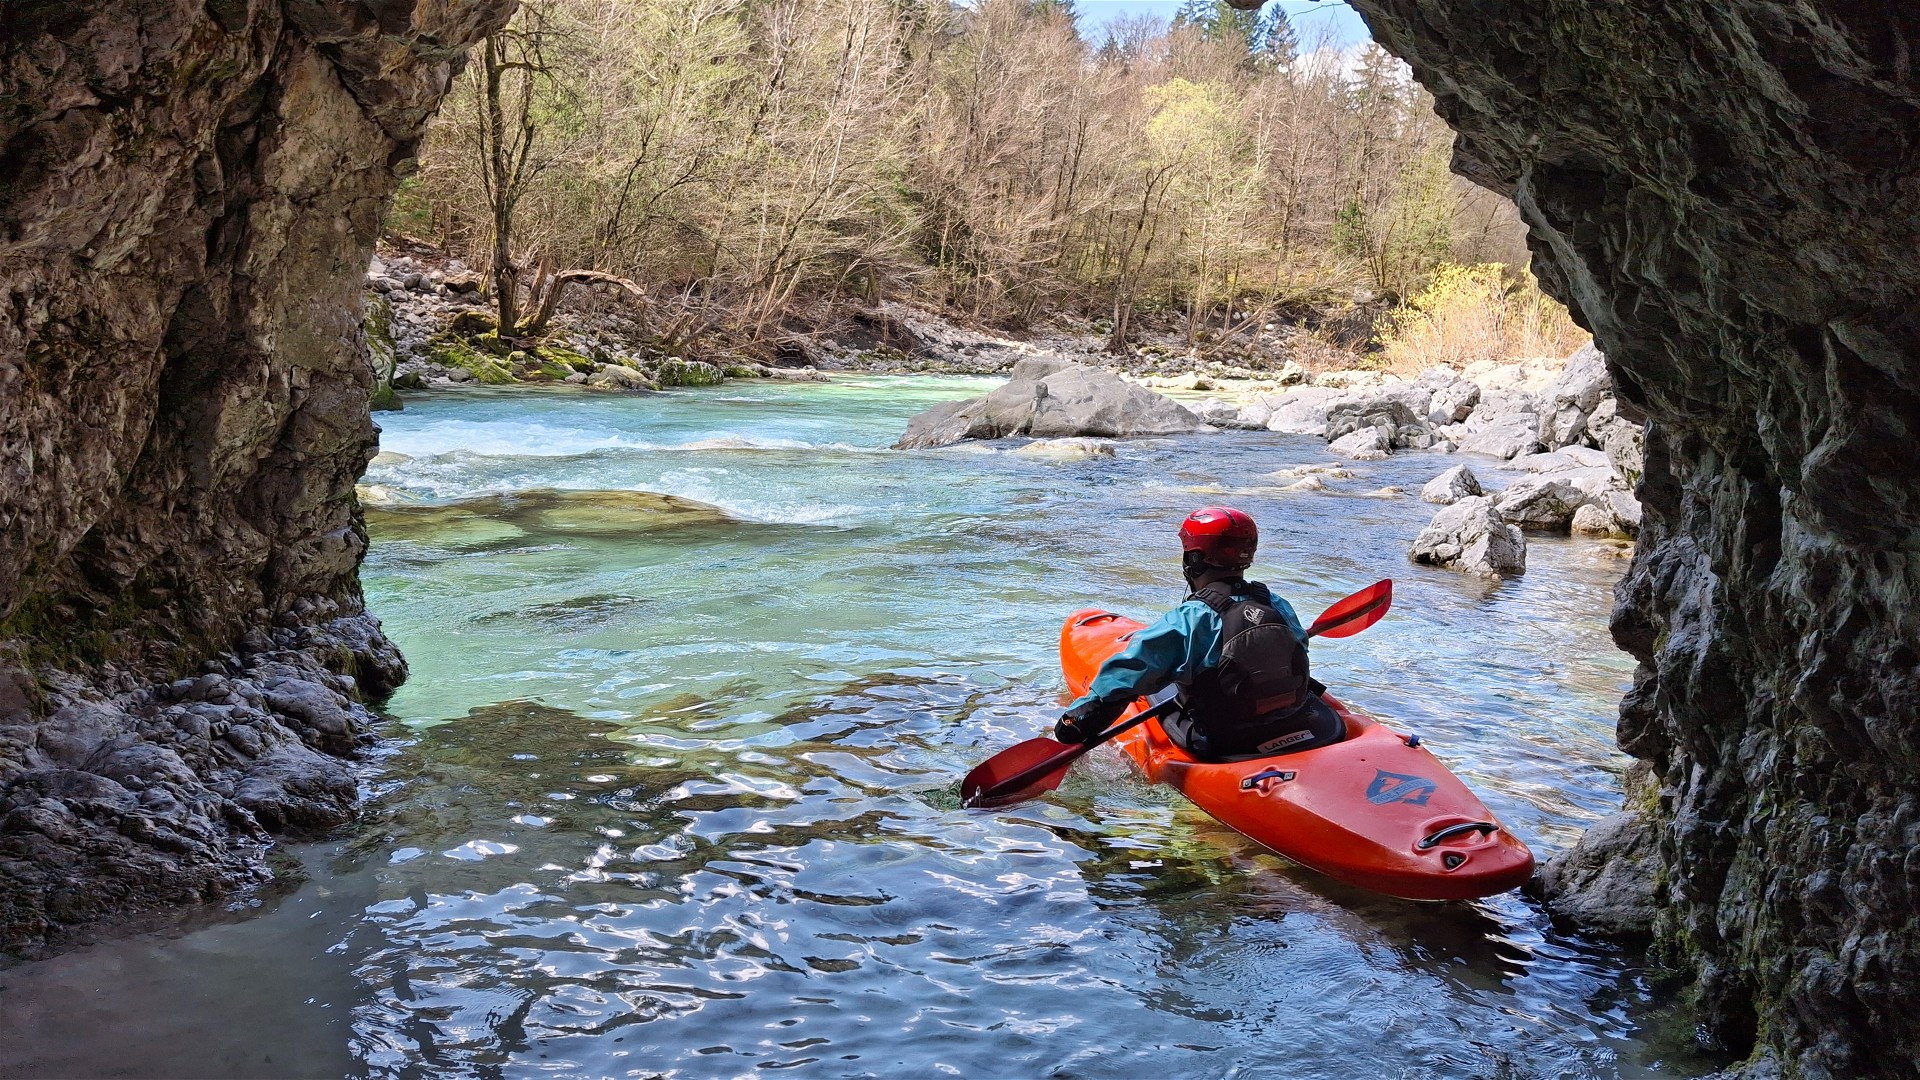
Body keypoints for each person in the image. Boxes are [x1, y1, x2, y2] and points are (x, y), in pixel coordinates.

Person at [1053, 506, 1346, 761]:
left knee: (1153, 690)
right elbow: (1297, 647)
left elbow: (1127, 675)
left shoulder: (1190, 618)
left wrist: (1073, 723)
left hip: (1227, 740)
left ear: (1194, 559)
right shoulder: (1276, 603)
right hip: (1291, 721)